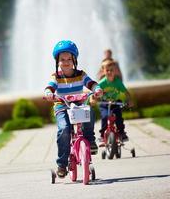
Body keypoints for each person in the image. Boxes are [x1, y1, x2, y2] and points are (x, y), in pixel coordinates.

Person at [44, 40, 103, 178]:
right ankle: (62, 164)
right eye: (62, 59)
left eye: (69, 59)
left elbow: (91, 83)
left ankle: (90, 139)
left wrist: (97, 89)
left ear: (74, 59)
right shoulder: (56, 76)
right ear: (57, 61)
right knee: (64, 129)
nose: (66, 62)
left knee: (88, 111)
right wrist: (48, 93)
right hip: (62, 106)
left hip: (79, 105)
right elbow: (50, 87)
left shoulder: (80, 74)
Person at [97, 60, 133, 144]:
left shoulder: (118, 82)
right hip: (104, 104)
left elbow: (126, 92)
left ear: (115, 71)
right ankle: (102, 135)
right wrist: (93, 98)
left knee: (118, 116)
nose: (109, 72)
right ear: (103, 71)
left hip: (115, 103)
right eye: (107, 70)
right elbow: (95, 93)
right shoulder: (102, 83)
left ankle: (121, 132)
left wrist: (129, 100)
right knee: (105, 117)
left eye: (111, 70)